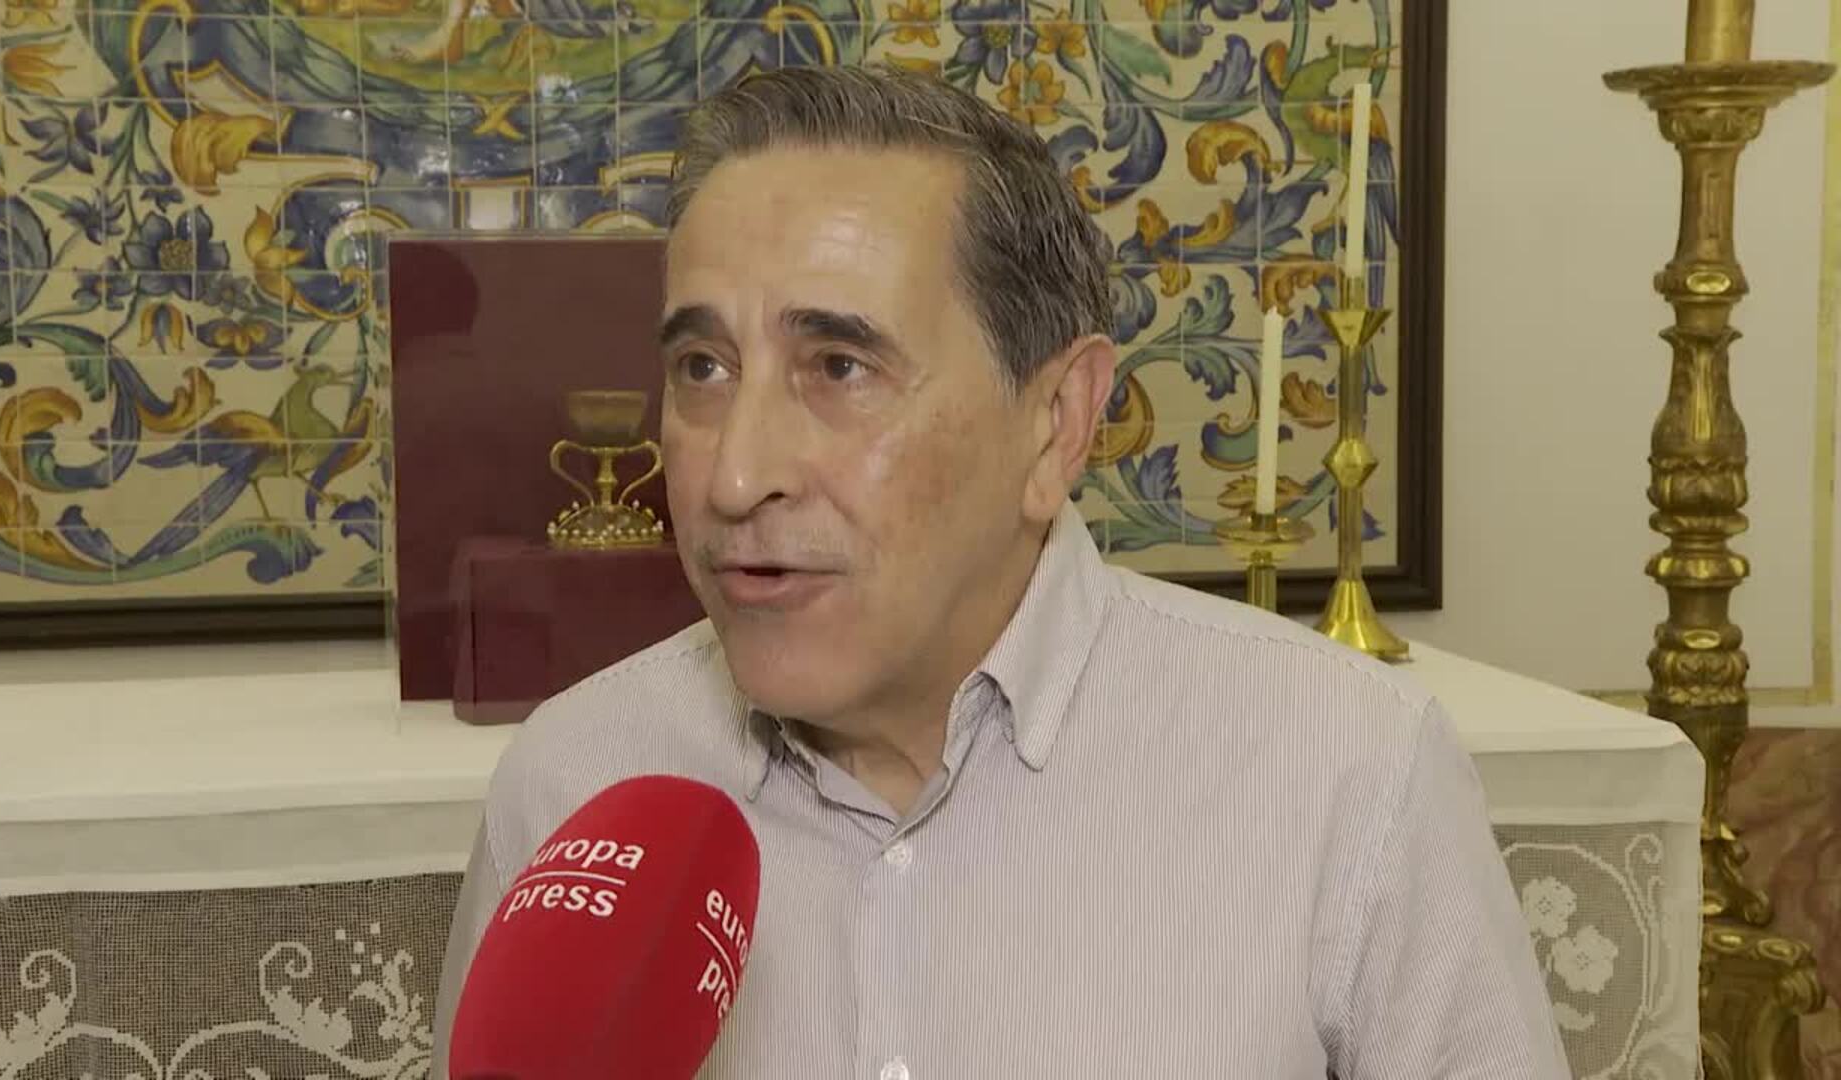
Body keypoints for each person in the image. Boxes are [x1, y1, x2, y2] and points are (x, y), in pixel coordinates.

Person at [435, 65, 1568, 1079]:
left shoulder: (1347, 771)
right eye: (702, 367)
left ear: (1056, 422)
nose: (734, 476)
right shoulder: (576, 784)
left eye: (840, 366)